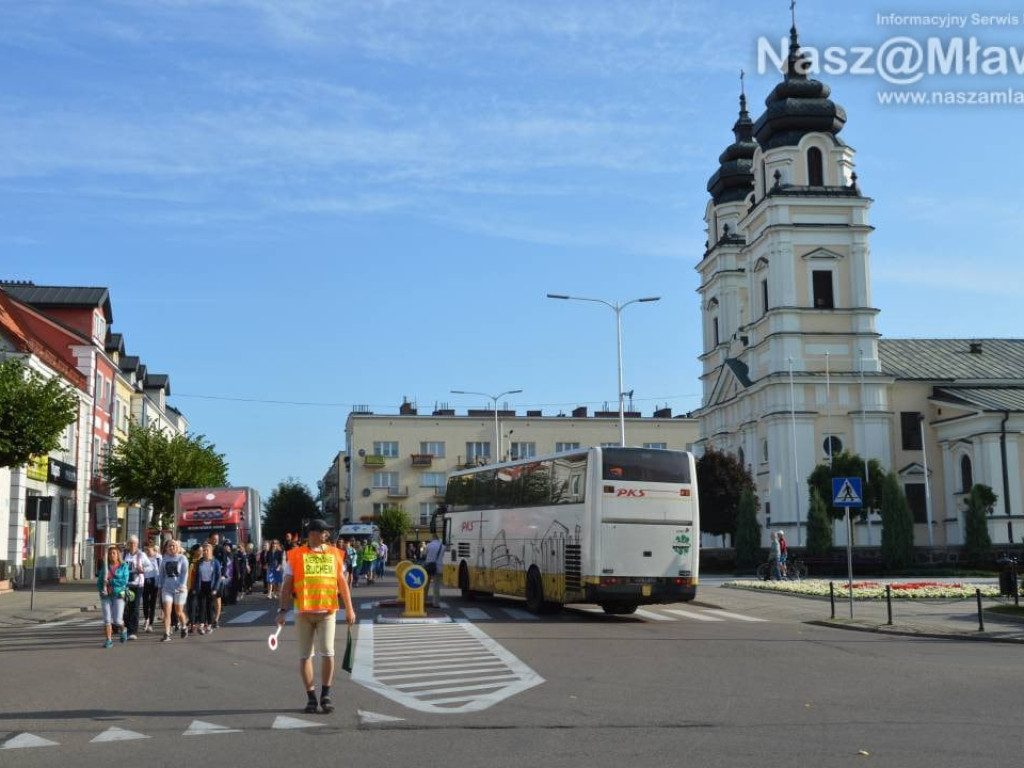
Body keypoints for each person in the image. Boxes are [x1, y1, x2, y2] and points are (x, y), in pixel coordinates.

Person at [276, 519, 356, 715]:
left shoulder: (334, 554)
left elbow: (342, 583)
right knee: (305, 656)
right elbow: (287, 585)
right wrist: (282, 610)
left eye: (327, 532)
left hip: (327, 612)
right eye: (323, 532)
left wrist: (350, 609)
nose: (326, 535)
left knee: (328, 652)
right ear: (312, 533)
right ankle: (311, 697)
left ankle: (325, 695)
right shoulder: (295, 555)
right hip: (303, 613)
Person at [97, 545, 130, 648]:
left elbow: (124, 581)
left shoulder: (123, 566)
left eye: (114, 553)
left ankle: (123, 629)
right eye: (110, 554)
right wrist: (100, 590)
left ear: (118, 555)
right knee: (107, 619)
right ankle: (109, 640)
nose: (111, 555)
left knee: (117, 620)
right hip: (106, 595)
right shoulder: (105, 566)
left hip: (118, 594)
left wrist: (111, 581)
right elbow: (100, 580)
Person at [158, 540, 190, 641]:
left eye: (173, 546)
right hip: (167, 588)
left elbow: (185, 574)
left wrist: (182, 585)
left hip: (179, 589)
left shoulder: (182, 558)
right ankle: (167, 633)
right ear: (166, 548)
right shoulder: (164, 559)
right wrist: (160, 587)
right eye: (169, 546)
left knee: (178, 612)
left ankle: (184, 626)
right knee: (167, 612)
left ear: (178, 547)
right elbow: (162, 574)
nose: (171, 548)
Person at [121, 535, 151, 640]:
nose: (132, 545)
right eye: (130, 543)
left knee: (135, 607)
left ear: (137, 544)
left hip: (138, 585)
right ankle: (126, 628)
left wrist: (141, 569)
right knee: (126, 607)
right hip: (126, 584)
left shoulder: (141, 555)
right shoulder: (124, 554)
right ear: (128, 544)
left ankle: (133, 631)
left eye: (134, 543)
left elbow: (150, 567)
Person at [141, 542, 161, 633]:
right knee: (145, 602)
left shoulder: (158, 558)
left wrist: (159, 584)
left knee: (152, 604)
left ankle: (150, 624)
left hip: (154, 582)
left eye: (148, 550)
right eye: (146, 550)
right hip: (145, 581)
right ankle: (146, 619)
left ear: (153, 549)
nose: (147, 552)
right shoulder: (143, 558)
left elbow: (161, 571)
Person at [423, 532, 445, 609]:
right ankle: (436, 603)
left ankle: (423, 601)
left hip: (428, 567)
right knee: (436, 586)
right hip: (438, 567)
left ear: (432, 538)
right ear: (438, 538)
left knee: (425, 585)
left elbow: (424, 554)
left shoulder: (429, 545)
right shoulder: (442, 546)